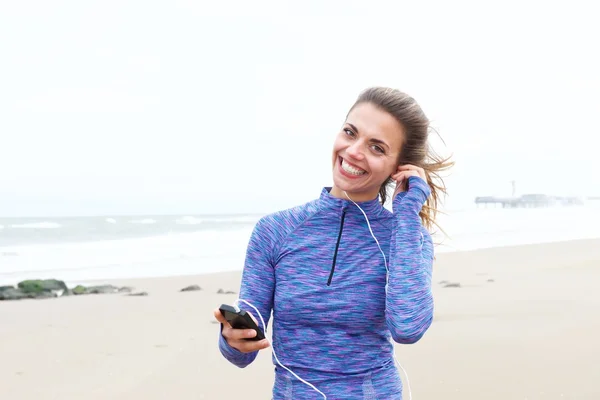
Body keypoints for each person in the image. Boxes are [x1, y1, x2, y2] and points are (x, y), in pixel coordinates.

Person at [213, 86, 452, 399]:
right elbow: (243, 351)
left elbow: (408, 328)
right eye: (350, 132)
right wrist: (232, 339)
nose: (354, 151)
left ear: (398, 169)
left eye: (377, 148)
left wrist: (406, 215)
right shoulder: (275, 230)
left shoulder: (406, 236)